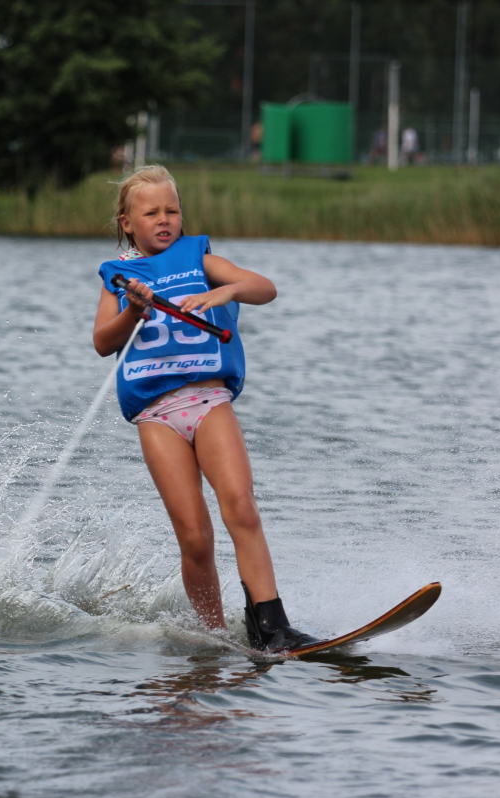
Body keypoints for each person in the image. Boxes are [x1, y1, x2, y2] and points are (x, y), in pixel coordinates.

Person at [92, 165, 316, 653]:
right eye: (151, 212)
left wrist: (227, 291)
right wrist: (133, 309)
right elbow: (101, 342)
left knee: (241, 506)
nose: (164, 219)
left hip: (208, 400)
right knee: (195, 537)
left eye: (172, 209)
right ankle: (216, 636)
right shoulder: (119, 278)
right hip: (157, 416)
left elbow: (265, 287)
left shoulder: (200, 258)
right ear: (128, 222)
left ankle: (272, 626)